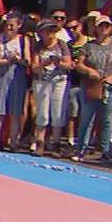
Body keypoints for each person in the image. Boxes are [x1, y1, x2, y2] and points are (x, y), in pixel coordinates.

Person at [73, 13, 112, 163]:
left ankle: (106, 150)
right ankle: (80, 149)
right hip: (91, 86)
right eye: (101, 26)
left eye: (106, 26)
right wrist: (89, 71)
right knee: (87, 118)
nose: (104, 28)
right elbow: (79, 65)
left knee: (107, 119)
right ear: (96, 28)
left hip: (111, 87)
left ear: (111, 29)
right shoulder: (88, 46)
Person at [29, 19, 73, 156]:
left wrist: (58, 62)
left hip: (59, 80)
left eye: (51, 31)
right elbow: (34, 67)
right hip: (42, 80)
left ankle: (56, 143)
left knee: (58, 111)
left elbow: (69, 64)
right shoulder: (38, 46)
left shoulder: (61, 45)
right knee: (42, 113)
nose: (49, 34)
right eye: (46, 31)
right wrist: (45, 63)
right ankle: (40, 143)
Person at [0, 15, 30, 152]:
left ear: (19, 26)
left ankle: (13, 142)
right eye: (7, 25)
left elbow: (28, 61)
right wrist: (5, 61)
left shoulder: (23, 40)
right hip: (1, 75)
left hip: (18, 76)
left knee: (15, 111)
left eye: (12, 25)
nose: (9, 28)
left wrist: (18, 59)